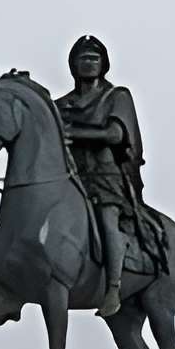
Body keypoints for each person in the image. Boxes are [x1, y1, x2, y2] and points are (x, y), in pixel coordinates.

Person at [56, 36, 151, 320]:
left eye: (93, 58)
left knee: (107, 218)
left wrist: (71, 135)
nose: (88, 63)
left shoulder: (116, 97)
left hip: (106, 177)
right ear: (73, 64)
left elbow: (115, 135)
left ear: (103, 64)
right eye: (82, 58)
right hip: (71, 176)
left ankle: (113, 288)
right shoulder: (61, 104)